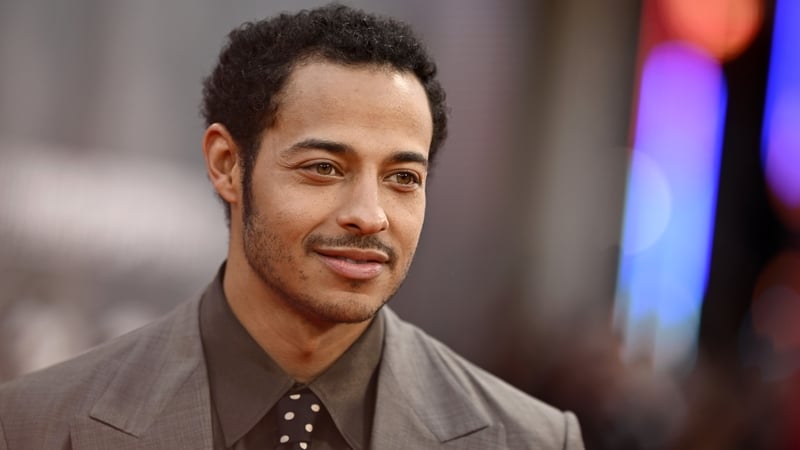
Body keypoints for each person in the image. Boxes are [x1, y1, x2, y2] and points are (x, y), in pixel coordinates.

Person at [0, 4, 584, 449]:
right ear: (227, 165)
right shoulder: (36, 424)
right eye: (324, 168)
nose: (371, 214)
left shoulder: (530, 437)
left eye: (403, 178)